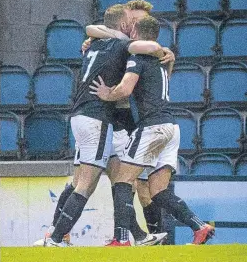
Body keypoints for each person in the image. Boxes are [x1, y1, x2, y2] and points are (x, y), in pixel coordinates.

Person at [43, 4, 167, 247]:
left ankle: (139, 237)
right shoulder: (122, 45)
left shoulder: (98, 43)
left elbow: (93, 29)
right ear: (124, 25)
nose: (135, 28)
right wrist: (161, 50)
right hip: (100, 118)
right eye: (132, 23)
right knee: (85, 183)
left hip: (96, 118)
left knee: (119, 181)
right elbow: (149, 46)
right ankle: (56, 236)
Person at [89, 15, 215, 246]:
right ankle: (199, 225)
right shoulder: (163, 60)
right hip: (171, 127)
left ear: (135, 33)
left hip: (152, 126)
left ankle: (122, 239)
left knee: (123, 181)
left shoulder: (138, 58)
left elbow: (126, 89)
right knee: (158, 191)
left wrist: (108, 94)